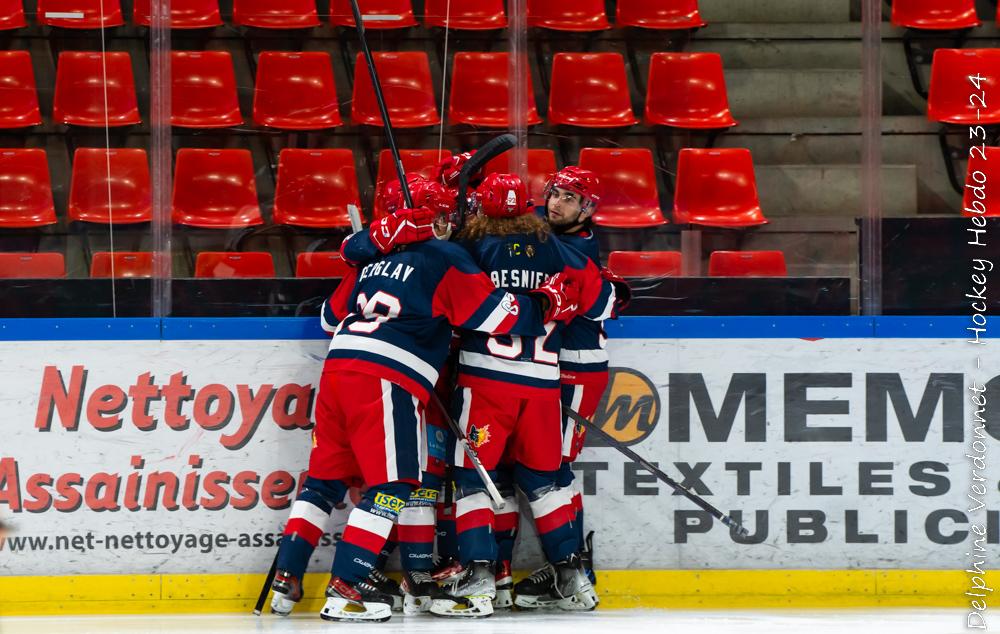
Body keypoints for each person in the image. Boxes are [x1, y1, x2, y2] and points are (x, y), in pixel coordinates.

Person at [268, 180, 581, 623]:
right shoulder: (445, 257)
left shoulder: (373, 254)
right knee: (395, 486)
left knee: (323, 482)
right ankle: (347, 585)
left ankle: (287, 577)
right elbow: (498, 315)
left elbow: (328, 318)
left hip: (338, 369)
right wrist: (547, 305)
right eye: (447, 213)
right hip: (386, 377)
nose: (453, 220)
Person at [432, 173, 616, 617]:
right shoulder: (557, 249)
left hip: (486, 381)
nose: (555, 203)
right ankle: (572, 576)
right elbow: (602, 301)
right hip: (544, 384)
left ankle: (479, 580)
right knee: (544, 481)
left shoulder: (470, 249)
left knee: (474, 478)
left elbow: (447, 299)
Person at [513, 165, 629, 610]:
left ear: (587, 209)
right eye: (555, 193)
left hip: (578, 368)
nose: (556, 203)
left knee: (551, 468)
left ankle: (573, 571)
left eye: (569, 198)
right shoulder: (559, 237)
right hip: (559, 367)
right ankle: (569, 564)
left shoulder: (574, 247)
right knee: (550, 467)